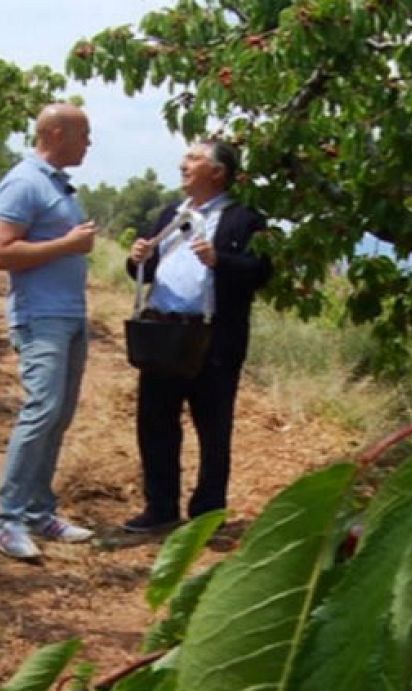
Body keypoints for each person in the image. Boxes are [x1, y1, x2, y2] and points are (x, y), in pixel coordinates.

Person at [123, 140, 272, 533]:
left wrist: (220, 261)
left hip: (214, 340)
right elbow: (148, 270)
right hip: (163, 333)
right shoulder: (171, 214)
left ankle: (206, 512)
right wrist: (137, 259)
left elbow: (262, 271)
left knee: (213, 428)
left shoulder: (246, 219)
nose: (182, 164)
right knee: (155, 423)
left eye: (193, 158)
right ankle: (160, 508)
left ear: (218, 172)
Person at [0, 103, 99, 561]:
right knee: (41, 409)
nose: (89, 143)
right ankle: (6, 520)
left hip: (70, 313)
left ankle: (37, 510)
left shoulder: (56, 183)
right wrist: (67, 245)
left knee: (59, 413)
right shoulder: (22, 182)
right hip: (41, 316)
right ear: (54, 133)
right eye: (83, 134)